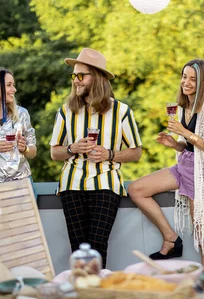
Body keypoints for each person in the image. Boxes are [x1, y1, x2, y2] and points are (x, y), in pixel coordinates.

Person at [50, 48, 142, 268]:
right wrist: (72, 148)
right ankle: (81, 297)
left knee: (97, 247)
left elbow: (136, 152)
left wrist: (109, 154)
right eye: (74, 76)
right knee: (78, 250)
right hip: (71, 185)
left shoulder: (121, 111)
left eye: (81, 75)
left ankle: (97, 297)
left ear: (97, 77)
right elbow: (54, 153)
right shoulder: (65, 111)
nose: (76, 81)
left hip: (105, 184)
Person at [128, 59, 204, 267]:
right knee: (136, 189)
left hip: (201, 176)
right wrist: (174, 143)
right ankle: (171, 238)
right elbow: (187, 145)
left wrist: (183, 131)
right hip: (183, 167)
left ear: (203, 83)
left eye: (193, 79)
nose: (186, 82)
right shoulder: (183, 107)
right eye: (184, 76)